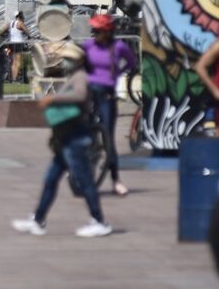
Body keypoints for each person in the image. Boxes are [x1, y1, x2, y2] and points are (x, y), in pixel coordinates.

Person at [12, 43, 112, 238]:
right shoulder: (74, 76)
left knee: (85, 181)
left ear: (79, 61)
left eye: (69, 59)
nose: (65, 62)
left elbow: (80, 95)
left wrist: (53, 100)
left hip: (76, 138)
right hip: (66, 139)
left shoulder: (80, 77)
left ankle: (100, 221)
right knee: (51, 180)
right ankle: (38, 220)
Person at [84, 14, 137, 196]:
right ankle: (78, 165)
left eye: (98, 31)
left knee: (108, 138)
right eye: (93, 30)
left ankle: (116, 180)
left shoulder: (118, 47)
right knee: (81, 130)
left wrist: (117, 74)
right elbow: (79, 64)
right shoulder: (88, 45)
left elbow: (132, 62)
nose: (95, 34)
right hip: (89, 91)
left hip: (107, 94)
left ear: (107, 32)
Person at [9, 11, 29, 83]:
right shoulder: (20, 23)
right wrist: (29, 35)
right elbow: (27, 31)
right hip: (18, 44)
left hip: (11, 43)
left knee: (13, 62)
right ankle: (15, 79)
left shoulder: (11, 23)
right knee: (17, 62)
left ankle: (13, 78)